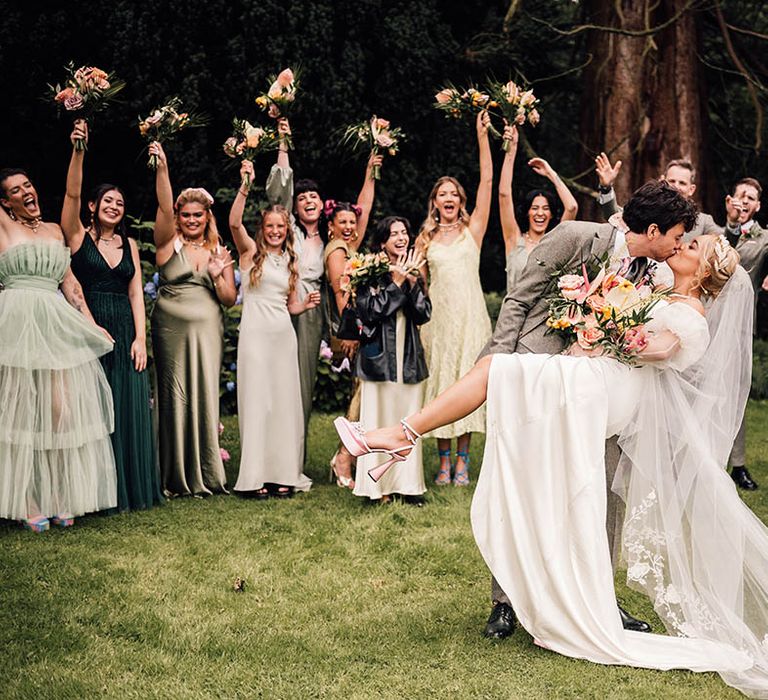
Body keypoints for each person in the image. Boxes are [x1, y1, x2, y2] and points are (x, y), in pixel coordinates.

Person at [335, 234, 768, 698]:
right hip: (598, 379)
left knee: (497, 371)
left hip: (607, 391)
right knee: (499, 380)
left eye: (693, 246)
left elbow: (658, 350)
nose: (682, 244)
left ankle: (401, 436)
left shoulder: (695, 317)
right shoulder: (660, 285)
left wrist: (609, 326)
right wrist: (600, 313)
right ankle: (403, 439)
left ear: (703, 272)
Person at [0, 167, 117, 531]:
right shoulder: (3, 228)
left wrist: (90, 321)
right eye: (16, 190)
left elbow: (70, 283)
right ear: (5, 203)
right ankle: (27, 500)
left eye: (29, 184)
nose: (27, 192)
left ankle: (59, 495)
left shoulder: (53, 230)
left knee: (59, 411)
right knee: (21, 413)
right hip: (16, 323)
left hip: (55, 322)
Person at [61, 120, 162, 512]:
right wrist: (80, 148)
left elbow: (136, 291)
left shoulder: (130, 244)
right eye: (107, 201)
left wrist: (141, 337)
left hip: (124, 326)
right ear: (92, 206)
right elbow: (71, 192)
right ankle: (95, 492)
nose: (114, 207)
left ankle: (131, 490)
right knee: (93, 409)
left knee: (128, 406)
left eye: (120, 204)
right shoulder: (76, 237)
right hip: (88, 328)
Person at [148, 142, 237, 498]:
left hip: (208, 331)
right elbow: (163, 208)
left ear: (207, 217)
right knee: (173, 394)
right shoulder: (168, 243)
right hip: (171, 329)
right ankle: (171, 474)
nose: (192, 220)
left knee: (203, 394)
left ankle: (205, 471)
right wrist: (162, 169)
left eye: (198, 215)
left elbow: (230, 299)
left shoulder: (219, 250)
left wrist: (218, 275)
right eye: (186, 215)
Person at [229, 161, 319, 498]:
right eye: (270, 226)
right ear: (263, 228)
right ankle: (254, 477)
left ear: (286, 229)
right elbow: (233, 222)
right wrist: (244, 185)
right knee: (258, 402)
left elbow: (288, 305)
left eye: (281, 226)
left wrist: (304, 305)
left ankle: (283, 474)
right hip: (255, 337)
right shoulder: (251, 255)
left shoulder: (289, 262)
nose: (276, 231)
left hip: (283, 337)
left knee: (283, 404)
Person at [416, 111, 493, 487]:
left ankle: (463, 462)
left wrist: (483, 138)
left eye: (453, 194)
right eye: (441, 194)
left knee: (467, 385)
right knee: (443, 387)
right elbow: (418, 282)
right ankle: (442, 462)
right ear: (434, 202)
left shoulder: (473, 230)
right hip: (439, 322)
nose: (448, 198)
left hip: (470, 318)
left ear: (460, 200)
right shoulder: (425, 238)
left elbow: (488, 183)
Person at [351, 216, 430, 504]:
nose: (401, 237)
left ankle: (408, 486)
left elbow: (423, 314)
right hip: (378, 359)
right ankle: (376, 488)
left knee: (407, 422)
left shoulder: (414, 271)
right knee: (377, 421)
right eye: (393, 233)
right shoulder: (367, 272)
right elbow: (370, 313)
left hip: (408, 359)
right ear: (382, 241)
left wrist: (411, 284)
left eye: (404, 232)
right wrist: (395, 284)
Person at [265, 118, 327, 448]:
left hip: (311, 308)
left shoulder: (331, 240)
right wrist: (283, 142)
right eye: (302, 198)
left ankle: (295, 451)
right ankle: (270, 448)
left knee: (302, 378)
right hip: (279, 300)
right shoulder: (288, 228)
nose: (307, 201)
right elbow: (280, 191)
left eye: (313, 196)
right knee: (275, 374)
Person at [323, 154, 381, 489]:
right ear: (331, 225)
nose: (349, 226)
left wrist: (372, 171)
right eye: (342, 222)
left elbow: (365, 208)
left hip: (359, 328)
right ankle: (343, 457)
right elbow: (341, 294)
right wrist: (354, 333)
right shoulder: (337, 251)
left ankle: (350, 454)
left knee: (363, 391)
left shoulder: (348, 244)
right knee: (360, 394)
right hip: (352, 331)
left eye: (351, 222)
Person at [722, 176, 768, 491]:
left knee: (736, 394)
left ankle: (737, 465)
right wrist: (731, 225)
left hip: (739, 328)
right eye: (742, 196)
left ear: (758, 205)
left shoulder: (765, 239)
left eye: (751, 198)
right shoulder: (718, 232)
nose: (746, 202)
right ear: (732, 199)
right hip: (708, 321)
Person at [500, 124, 577, 293]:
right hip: (514, 317)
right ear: (527, 212)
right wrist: (511, 151)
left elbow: (571, 207)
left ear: (550, 214)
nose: (540, 213)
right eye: (535, 208)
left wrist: (550, 173)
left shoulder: (555, 241)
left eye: (545, 208)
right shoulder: (513, 239)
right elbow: (504, 195)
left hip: (545, 318)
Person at [595, 154, 721, 239]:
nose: (676, 186)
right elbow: (614, 216)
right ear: (662, 181)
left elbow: (724, 243)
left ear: (691, 189)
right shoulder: (648, 209)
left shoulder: (704, 222)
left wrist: (733, 224)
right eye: (672, 181)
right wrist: (606, 188)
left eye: (682, 183)